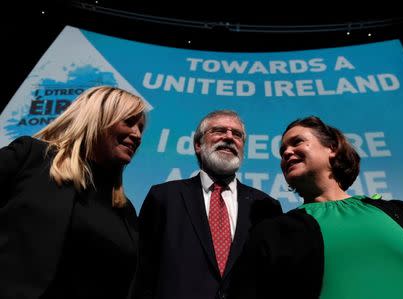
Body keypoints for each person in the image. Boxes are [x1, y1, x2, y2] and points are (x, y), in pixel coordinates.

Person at [230, 116, 403, 299]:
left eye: (297, 142)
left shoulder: (401, 213)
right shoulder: (272, 232)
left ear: (332, 148)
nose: (287, 152)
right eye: (282, 150)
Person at [0, 86, 149, 299]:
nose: (137, 135)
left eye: (141, 129)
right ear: (97, 118)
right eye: (129, 122)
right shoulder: (30, 157)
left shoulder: (125, 210)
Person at [133, 110, 282, 299]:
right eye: (219, 131)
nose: (229, 137)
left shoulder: (266, 206)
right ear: (198, 145)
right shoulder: (164, 197)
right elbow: (142, 272)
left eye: (237, 134)